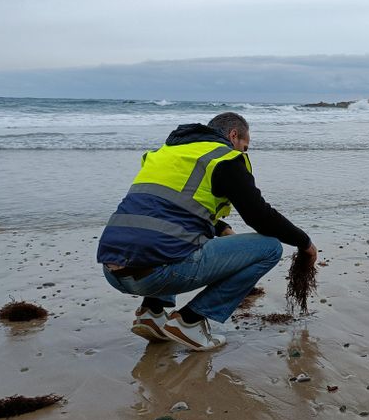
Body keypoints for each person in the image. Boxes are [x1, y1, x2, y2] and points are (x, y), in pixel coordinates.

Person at [97, 112, 316, 351]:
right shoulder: (225, 159)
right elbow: (260, 217)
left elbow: (171, 208)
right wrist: (304, 243)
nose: (243, 152)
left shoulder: (165, 154)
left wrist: (222, 228)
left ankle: (152, 312)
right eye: (244, 146)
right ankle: (191, 321)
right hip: (158, 274)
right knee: (270, 248)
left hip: (113, 271)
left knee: (169, 237)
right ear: (234, 135)